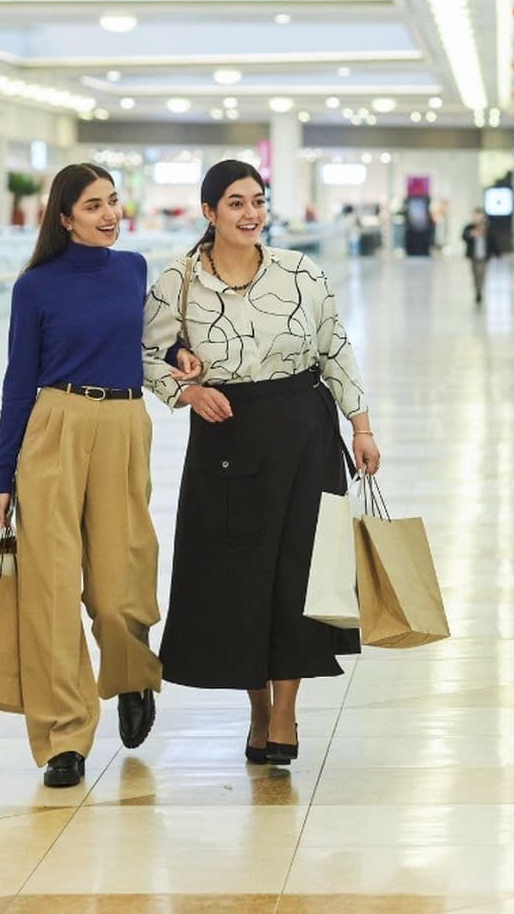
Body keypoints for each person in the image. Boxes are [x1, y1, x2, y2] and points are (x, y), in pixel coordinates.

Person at [142, 159, 381, 766]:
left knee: (299, 572)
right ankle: (256, 708)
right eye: (236, 204)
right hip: (227, 435)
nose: (251, 214)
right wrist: (187, 392)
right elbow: (147, 354)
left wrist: (362, 426)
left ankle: (284, 714)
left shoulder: (301, 272)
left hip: (303, 431)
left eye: (258, 201)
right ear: (209, 212)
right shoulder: (179, 279)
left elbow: (335, 348)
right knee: (240, 577)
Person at [0, 162, 195, 788]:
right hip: (54, 425)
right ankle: (64, 737)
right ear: (64, 217)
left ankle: (131, 675)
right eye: (93, 206)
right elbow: (18, 382)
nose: (109, 214)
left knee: (119, 576)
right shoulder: (36, 287)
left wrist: (178, 352)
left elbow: (152, 342)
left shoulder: (133, 268)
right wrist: (4, 476)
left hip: (124, 424)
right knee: (50, 589)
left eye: (112, 201)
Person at [461, 207, 492, 304]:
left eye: (480, 216)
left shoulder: (487, 228)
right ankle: (477, 291)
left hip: (484, 256)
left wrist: (497, 253)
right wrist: (471, 234)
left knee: (481, 274)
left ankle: (480, 290)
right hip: (473, 256)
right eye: (476, 216)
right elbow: (464, 236)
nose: (478, 218)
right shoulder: (469, 227)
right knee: (475, 274)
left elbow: (493, 241)